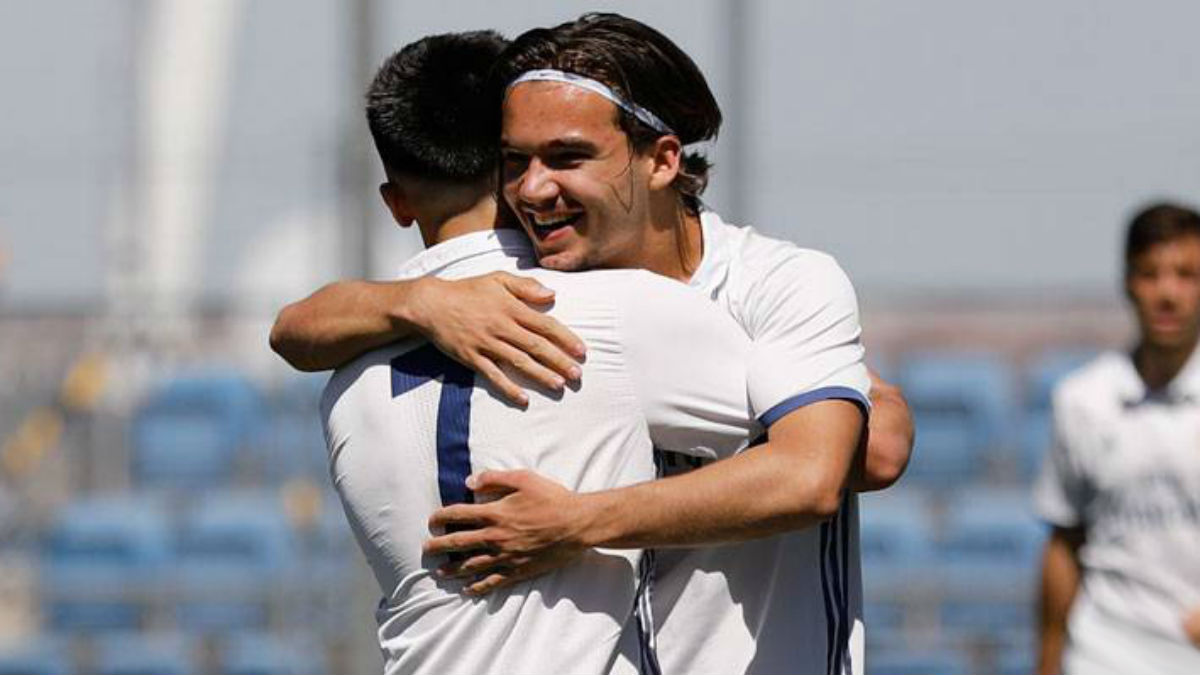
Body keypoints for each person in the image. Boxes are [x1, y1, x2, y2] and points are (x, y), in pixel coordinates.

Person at [273, 14, 914, 675]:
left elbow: (836, 465)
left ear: (663, 159)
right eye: (514, 163)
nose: (532, 188)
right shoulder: (537, 296)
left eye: (567, 157)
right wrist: (420, 301)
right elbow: (293, 329)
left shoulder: (772, 282)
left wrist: (577, 521)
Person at [322, 31, 772, 675]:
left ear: (396, 204)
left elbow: (293, 332)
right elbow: (846, 444)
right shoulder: (615, 314)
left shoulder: (345, 375)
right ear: (516, 171)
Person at [1035, 202, 1200, 675]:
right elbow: (1063, 542)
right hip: (1106, 651)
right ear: (1128, 281)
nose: (1167, 293)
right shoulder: (1082, 400)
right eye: (1151, 274)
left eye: (1186, 274)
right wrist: (1048, 661)